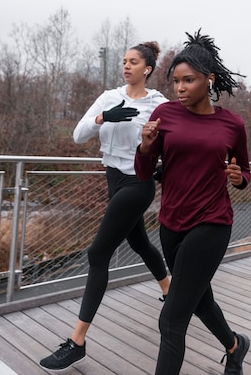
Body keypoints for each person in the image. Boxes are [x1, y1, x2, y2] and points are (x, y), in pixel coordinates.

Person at [40, 41, 171, 371]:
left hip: (138, 184)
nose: (126, 66)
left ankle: (77, 342)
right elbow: (78, 136)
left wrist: (163, 163)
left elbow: (175, 141)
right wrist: (102, 117)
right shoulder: (109, 97)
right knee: (139, 241)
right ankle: (170, 291)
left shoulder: (159, 104)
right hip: (113, 180)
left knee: (97, 254)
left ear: (148, 69)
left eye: (133, 62)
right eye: (124, 61)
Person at [134, 30, 251, 375]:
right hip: (171, 223)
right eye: (177, 82)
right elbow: (143, 173)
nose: (180, 88)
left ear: (209, 80)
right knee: (201, 300)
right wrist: (144, 145)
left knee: (171, 318)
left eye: (189, 81)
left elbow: (244, 168)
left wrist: (238, 177)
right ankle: (235, 345)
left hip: (212, 223)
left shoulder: (232, 123)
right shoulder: (165, 114)